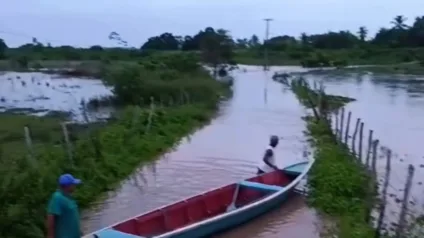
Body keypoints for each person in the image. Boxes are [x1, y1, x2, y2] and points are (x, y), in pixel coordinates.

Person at [47, 173, 82, 238]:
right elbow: (51, 217)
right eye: (73, 184)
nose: (75, 186)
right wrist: (50, 236)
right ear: (67, 186)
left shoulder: (68, 197)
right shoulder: (57, 197)